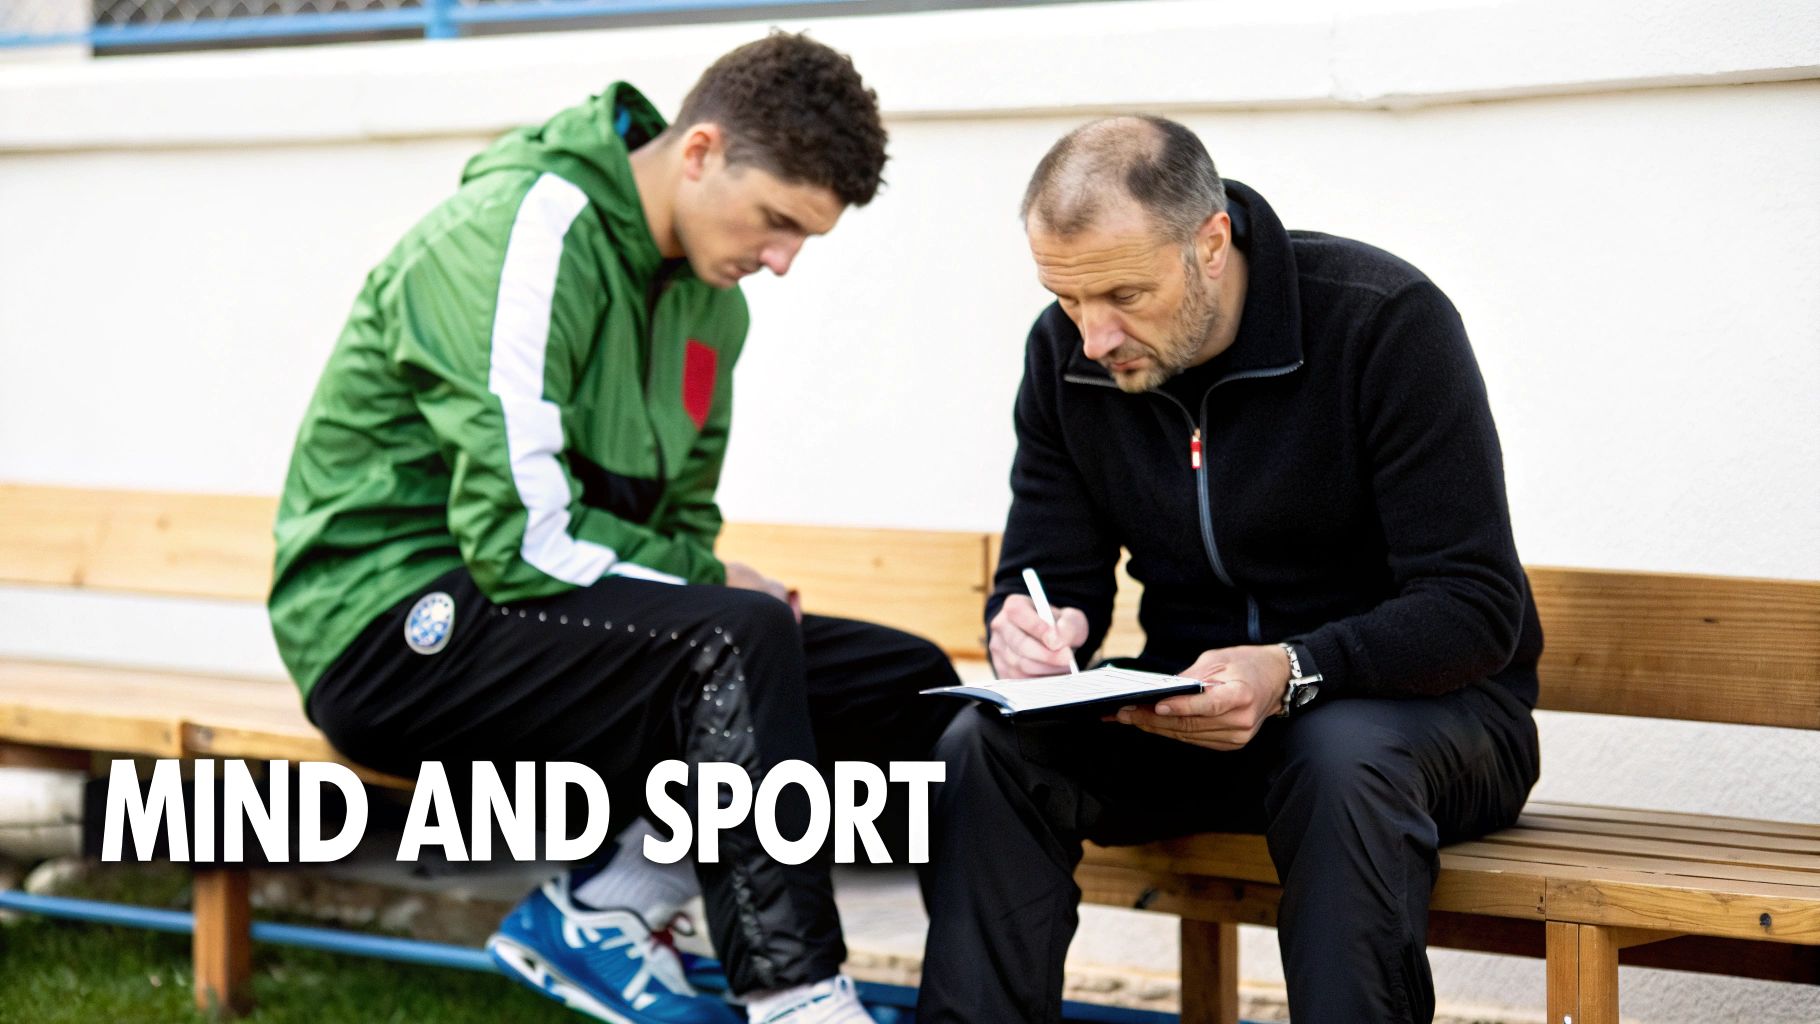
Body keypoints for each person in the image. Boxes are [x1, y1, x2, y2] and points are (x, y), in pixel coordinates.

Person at [268, 33, 958, 1024]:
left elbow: (679, 519)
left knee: (902, 678)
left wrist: (714, 582)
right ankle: (798, 999)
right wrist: (718, 588)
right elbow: (517, 539)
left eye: (805, 239)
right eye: (776, 221)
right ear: (699, 151)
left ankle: (606, 909)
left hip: (535, 615)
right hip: (387, 628)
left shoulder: (715, 308)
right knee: (736, 634)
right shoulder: (523, 233)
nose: (782, 262)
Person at [916, 115, 1543, 1024]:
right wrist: (1036, 628)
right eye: (1067, 299)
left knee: (1340, 755)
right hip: (1194, 717)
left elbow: (1473, 607)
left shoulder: (1381, 321)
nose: (1093, 337)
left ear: (1211, 245)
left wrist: (1292, 669)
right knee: (983, 747)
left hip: (1425, 721)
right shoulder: (1064, 355)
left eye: (1124, 294)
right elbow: (1049, 568)